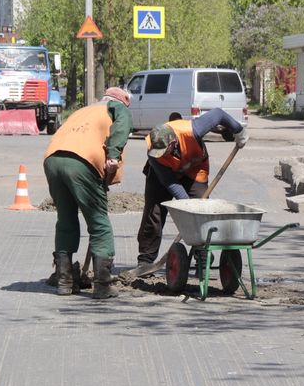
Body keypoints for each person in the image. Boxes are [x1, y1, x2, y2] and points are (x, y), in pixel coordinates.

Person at [43, 87, 133, 299]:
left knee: (65, 221)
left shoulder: (84, 111)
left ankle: (65, 281)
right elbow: (121, 128)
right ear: (122, 100)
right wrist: (112, 155)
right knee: (99, 223)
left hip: (52, 160)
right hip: (82, 162)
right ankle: (102, 285)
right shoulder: (117, 107)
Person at [136, 109, 248, 268]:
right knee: (154, 212)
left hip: (194, 170)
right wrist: (187, 206)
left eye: (164, 151)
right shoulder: (153, 152)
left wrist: (238, 130)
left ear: (173, 142)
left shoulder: (193, 129)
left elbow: (218, 114)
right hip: (163, 175)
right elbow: (170, 182)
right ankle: (145, 260)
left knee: (201, 212)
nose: (160, 154)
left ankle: (202, 257)